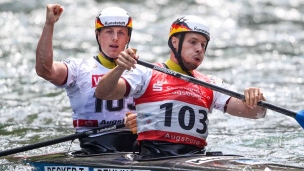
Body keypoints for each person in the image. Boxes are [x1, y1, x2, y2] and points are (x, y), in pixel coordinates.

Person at [95, 15, 267, 159]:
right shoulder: (145, 73)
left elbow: (255, 113)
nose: (199, 49)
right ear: (175, 43)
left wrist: (256, 99)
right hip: (154, 158)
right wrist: (120, 68)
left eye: (203, 45)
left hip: (195, 159)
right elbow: (103, 93)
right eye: (193, 42)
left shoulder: (211, 83)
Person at [35, 4, 138, 154]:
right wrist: (49, 24)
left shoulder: (141, 71)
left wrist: (143, 120)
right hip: (94, 147)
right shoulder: (79, 69)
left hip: (135, 148)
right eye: (109, 32)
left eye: (121, 33)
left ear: (128, 37)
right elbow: (45, 70)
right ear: (98, 35)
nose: (115, 38)